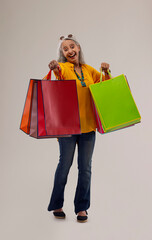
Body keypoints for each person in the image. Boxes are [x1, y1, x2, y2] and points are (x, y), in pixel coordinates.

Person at [45, 34, 111, 223]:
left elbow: (103, 87)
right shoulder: (63, 67)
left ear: (79, 47)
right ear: (63, 54)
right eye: (65, 49)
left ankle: (82, 208)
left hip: (88, 127)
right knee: (64, 166)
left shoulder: (89, 70)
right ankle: (57, 204)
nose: (70, 50)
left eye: (72, 46)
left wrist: (106, 71)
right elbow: (58, 74)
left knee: (86, 168)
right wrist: (54, 67)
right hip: (68, 127)